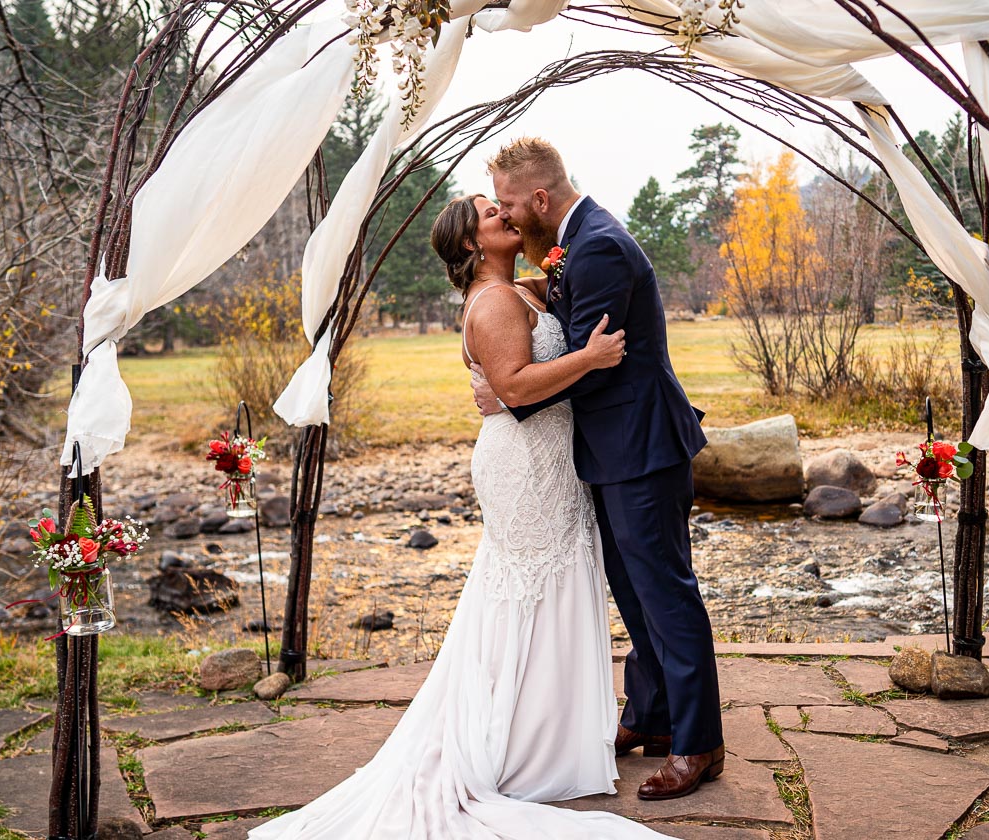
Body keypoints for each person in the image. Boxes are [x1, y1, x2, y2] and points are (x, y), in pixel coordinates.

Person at [249, 193, 679, 838]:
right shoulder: (496, 301)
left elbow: (549, 301)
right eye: (490, 214)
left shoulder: (520, 289)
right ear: (472, 244)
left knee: (552, 587)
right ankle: (522, 745)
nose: (506, 216)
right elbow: (513, 387)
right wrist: (589, 359)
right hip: (526, 465)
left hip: (552, 459)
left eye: (502, 207)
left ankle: (553, 735)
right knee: (531, 589)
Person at [474, 137, 724, 801]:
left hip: (642, 449)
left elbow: (592, 357)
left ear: (539, 198)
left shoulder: (600, 245)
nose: (507, 215)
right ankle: (652, 717)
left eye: (508, 203)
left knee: (667, 597)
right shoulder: (573, 242)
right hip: (612, 452)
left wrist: (509, 391)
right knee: (635, 592)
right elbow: (566, 323)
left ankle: (701, 743)